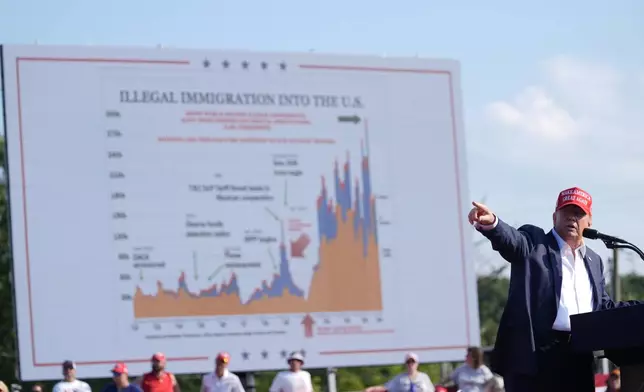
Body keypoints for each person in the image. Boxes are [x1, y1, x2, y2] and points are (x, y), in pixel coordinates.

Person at [469, 186, 642, 392]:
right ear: (554, 217)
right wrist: (493, 225)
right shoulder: (534, 242)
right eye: (566, 212)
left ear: (589, 221)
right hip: (535, 358)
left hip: (578, 356)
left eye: (578, 213)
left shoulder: (594, 261)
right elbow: (512, 240)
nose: (572, 218)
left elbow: (602, 306)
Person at [364, 352, 435, 392]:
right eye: (408, 362)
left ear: (417, 363)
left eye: (413, 361)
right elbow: (386, 387)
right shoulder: (400, 378)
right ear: (405, 364)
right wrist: (371, 389)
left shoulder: (424, 377)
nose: (410, 364)